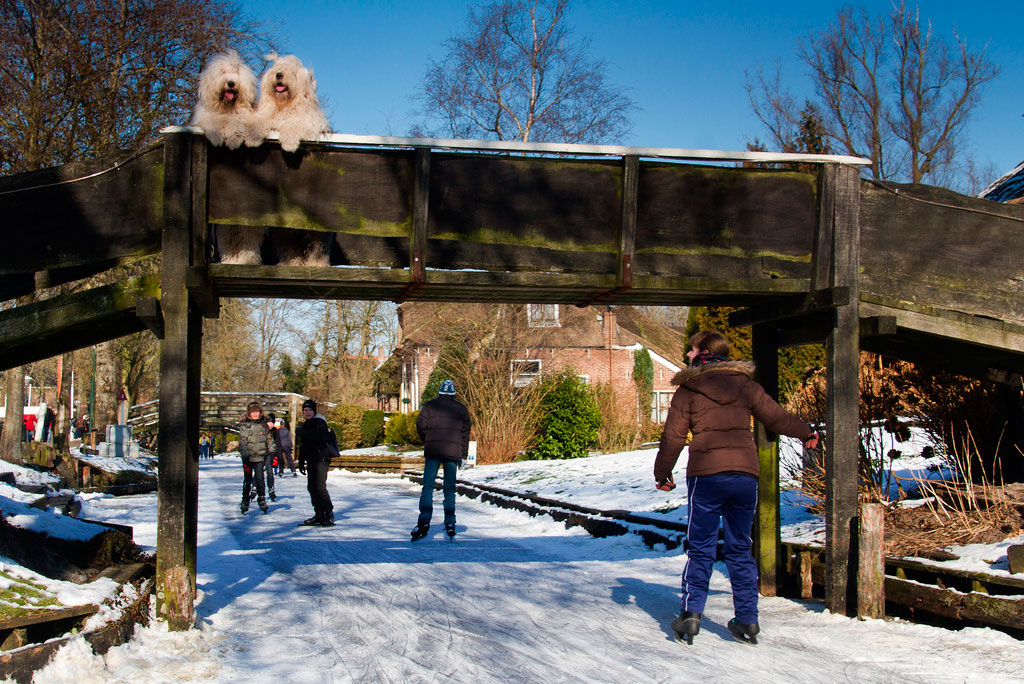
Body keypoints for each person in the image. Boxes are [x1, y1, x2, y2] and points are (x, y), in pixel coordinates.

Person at [653, 330, 819, 646]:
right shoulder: (746, 387)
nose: (688, 355)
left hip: (706, 477)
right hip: (744, 475)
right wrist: (805, 432)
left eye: (691, 350)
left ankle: (690, 616)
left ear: (702, 353)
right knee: (740, 547)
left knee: (700, 547)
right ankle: (747, 620)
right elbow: (777, 417)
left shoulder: (688, 390)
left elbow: (673, 437)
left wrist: (663, 471)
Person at [411, 379, 471, 542]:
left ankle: (424, 521)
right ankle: (450, 522)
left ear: (440, 391)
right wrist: (463, 455)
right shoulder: (461, 409)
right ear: (453, 393)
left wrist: (429, 439)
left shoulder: (429, 407)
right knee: (449, 489)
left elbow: (420, 426)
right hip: (453, 452)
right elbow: (465, 434)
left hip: (433, 451)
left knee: (428, 486)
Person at [295, 399, 336, 526]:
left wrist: (306, 433)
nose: (307, 413)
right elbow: (304, 445)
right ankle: (319, 512)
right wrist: (301, 461)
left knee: (319, 486)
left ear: (314, 411)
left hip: (321, 458)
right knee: (312, 487)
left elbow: (321, 439)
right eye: (305, 410)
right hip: (312, 459)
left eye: (310, 410)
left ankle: (328, 513)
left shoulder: (319, 422)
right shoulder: (305, 425)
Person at [237, 401, 277, 514]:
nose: (255, 414)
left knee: (260, 479)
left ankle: (262, 498)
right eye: (253, 412)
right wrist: (244, 454)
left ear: (260, 412)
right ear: (249, 413)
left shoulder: (264, 425)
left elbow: (270, 439)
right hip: (248, 457)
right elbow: (242, 441)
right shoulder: (244, 426)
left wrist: (273, 453)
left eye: (257, 412)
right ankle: (245, 499)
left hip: (260, 456)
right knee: (248, 479)